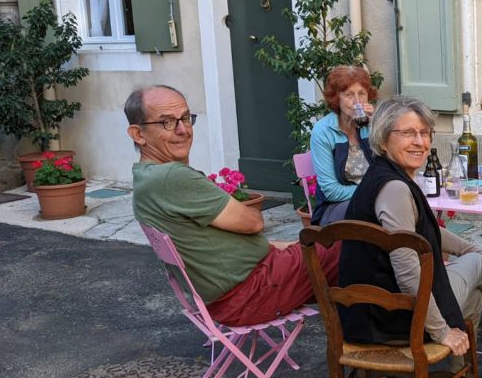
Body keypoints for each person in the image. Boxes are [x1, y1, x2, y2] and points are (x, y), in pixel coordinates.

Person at [126, 85, 340, 327]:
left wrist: (290, 245)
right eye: (166, 122)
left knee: (336, 259)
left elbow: (220, 242)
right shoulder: (172, 177)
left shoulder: (145, 177)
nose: (183, 130)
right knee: (353, 248)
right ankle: (367, 343)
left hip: (236, 292)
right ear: (138, 134)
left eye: (185, 118)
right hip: (250, 295)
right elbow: (253, 223)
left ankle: (360, 335)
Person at [339, 94, 482, 378]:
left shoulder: (383, 177)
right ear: (384, 139)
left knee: (471, 274)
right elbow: (409, 273)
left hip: (366, 313)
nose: (420, 142)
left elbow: (424, 232)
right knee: (478, 284)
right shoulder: (396, 189)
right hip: (390, 319)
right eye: (408, 133)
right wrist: (442, 331)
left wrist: (469, 247)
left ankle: (460, 372)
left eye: (425, 133)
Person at [309, 65, 377, 225]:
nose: (357, 101)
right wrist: (373, 192)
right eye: (349, 95)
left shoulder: (371, 126)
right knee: (379, 213)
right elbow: (331, 191)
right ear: (336, 98)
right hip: (336, 208)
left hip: (375, 200)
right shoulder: (323, 131)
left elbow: (391, 163)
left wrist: (377, 121)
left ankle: (433, 246)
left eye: (362, 94)